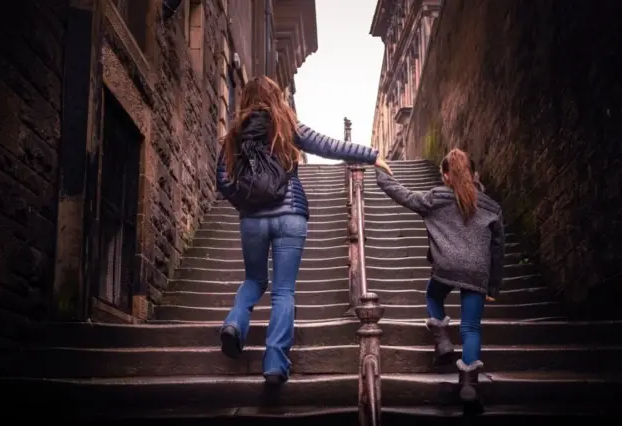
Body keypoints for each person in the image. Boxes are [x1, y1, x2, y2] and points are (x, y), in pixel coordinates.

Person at [216, 75, 392, 388]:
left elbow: (223, 181)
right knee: (283, 291)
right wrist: (371, 155)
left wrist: (245, 203)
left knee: (254, 280)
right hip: (291, 214)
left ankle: (234, 323)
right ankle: (274, 363)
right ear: (275, 98)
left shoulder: (233, 136)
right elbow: (327, 145)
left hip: (252, 220)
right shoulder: (286, 125)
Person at [375, 148, 504, 412]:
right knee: (471, 329)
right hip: (477, 271)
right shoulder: (492, 206)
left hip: (446, 267)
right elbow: (498, 248)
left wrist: (381, 172)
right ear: (473, 174)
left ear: (446, 176)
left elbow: (405, 196)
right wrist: (493, 285)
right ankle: (469, 384)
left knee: (433, 295)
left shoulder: (436, 198)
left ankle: (442, 339)